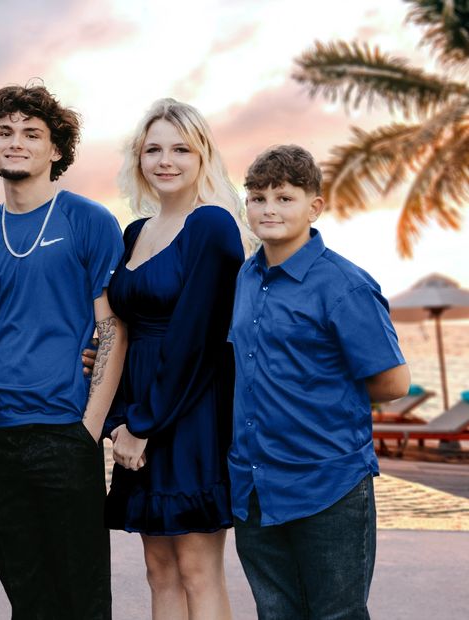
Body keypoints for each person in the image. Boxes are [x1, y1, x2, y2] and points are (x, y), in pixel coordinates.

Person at [0, 83, 126, 618]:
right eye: (5, 133)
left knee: (84, 597)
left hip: (67, 434)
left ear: (55, 149)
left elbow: (112, 330)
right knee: (28, 597)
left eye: (31, 133)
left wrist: (88, 429)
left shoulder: (89, 221)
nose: (16, 142)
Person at [229, 145, 409, 620]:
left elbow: (393, 382)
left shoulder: (344, 285)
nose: (269, 209)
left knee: (337, 615)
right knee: (275, 613)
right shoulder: (247, 277)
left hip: (327, 483)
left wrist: (318, 386)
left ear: (314, 206)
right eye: (258, 197)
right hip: (254, 485)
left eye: (284, 198)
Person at [103, 99, 247, 620]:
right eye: (154, 148)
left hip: (191, 415)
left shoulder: (213, 225)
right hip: (141, 411)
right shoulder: (135, 232)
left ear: (203, 155)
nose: (166, 160)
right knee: (158, 570)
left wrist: (142, 424)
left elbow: (198, 340)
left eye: (181, 149)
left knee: (196, 569)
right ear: (138, 157)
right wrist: (119, 419)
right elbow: (121, 331)